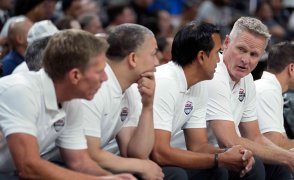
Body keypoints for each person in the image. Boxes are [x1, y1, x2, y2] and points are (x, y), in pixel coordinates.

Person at [0, 29, 134, 180]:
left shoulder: (71, 101)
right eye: (100, 71)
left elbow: (79, 161)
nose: (104, 78)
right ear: (75, 75)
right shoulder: (21, 91)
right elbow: (28, 166)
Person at [206, 16, 294, 180]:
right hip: (195, 154)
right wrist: (288, 157)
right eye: (241, 49)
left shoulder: (248, 80)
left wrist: (286, 155)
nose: (245, 60)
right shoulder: (215, 72)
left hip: (225, 153)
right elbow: (229, 140)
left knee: (277, 168)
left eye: (254, 54)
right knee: (256, 166)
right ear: (226, 43)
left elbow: (255, 137)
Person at [150, 21, 255, 180]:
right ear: (201, 56)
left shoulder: (199, 85)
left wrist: (235, 154)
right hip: (125, 159)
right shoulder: (165, 82)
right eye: (217, 52)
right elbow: (159, 152)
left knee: (223, 169)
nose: (219, 60)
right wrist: (219, 159)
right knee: (178, 175)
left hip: (156, 158)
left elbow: (198, 146)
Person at [63, 23, 165, 179]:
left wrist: (148, 105)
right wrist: (142, 166)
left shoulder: (129, 89)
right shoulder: (96, 85)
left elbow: (135, 152)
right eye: (153, 54)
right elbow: (88, 153)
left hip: (88, 163)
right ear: (132, 58)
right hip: (59, 164)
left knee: (171, 174)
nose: (157, 63)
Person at [255, 42, 294, 179]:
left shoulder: (271, 89)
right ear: (291, 68)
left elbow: (281, 143)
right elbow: (274, 143)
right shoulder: (267, 90)